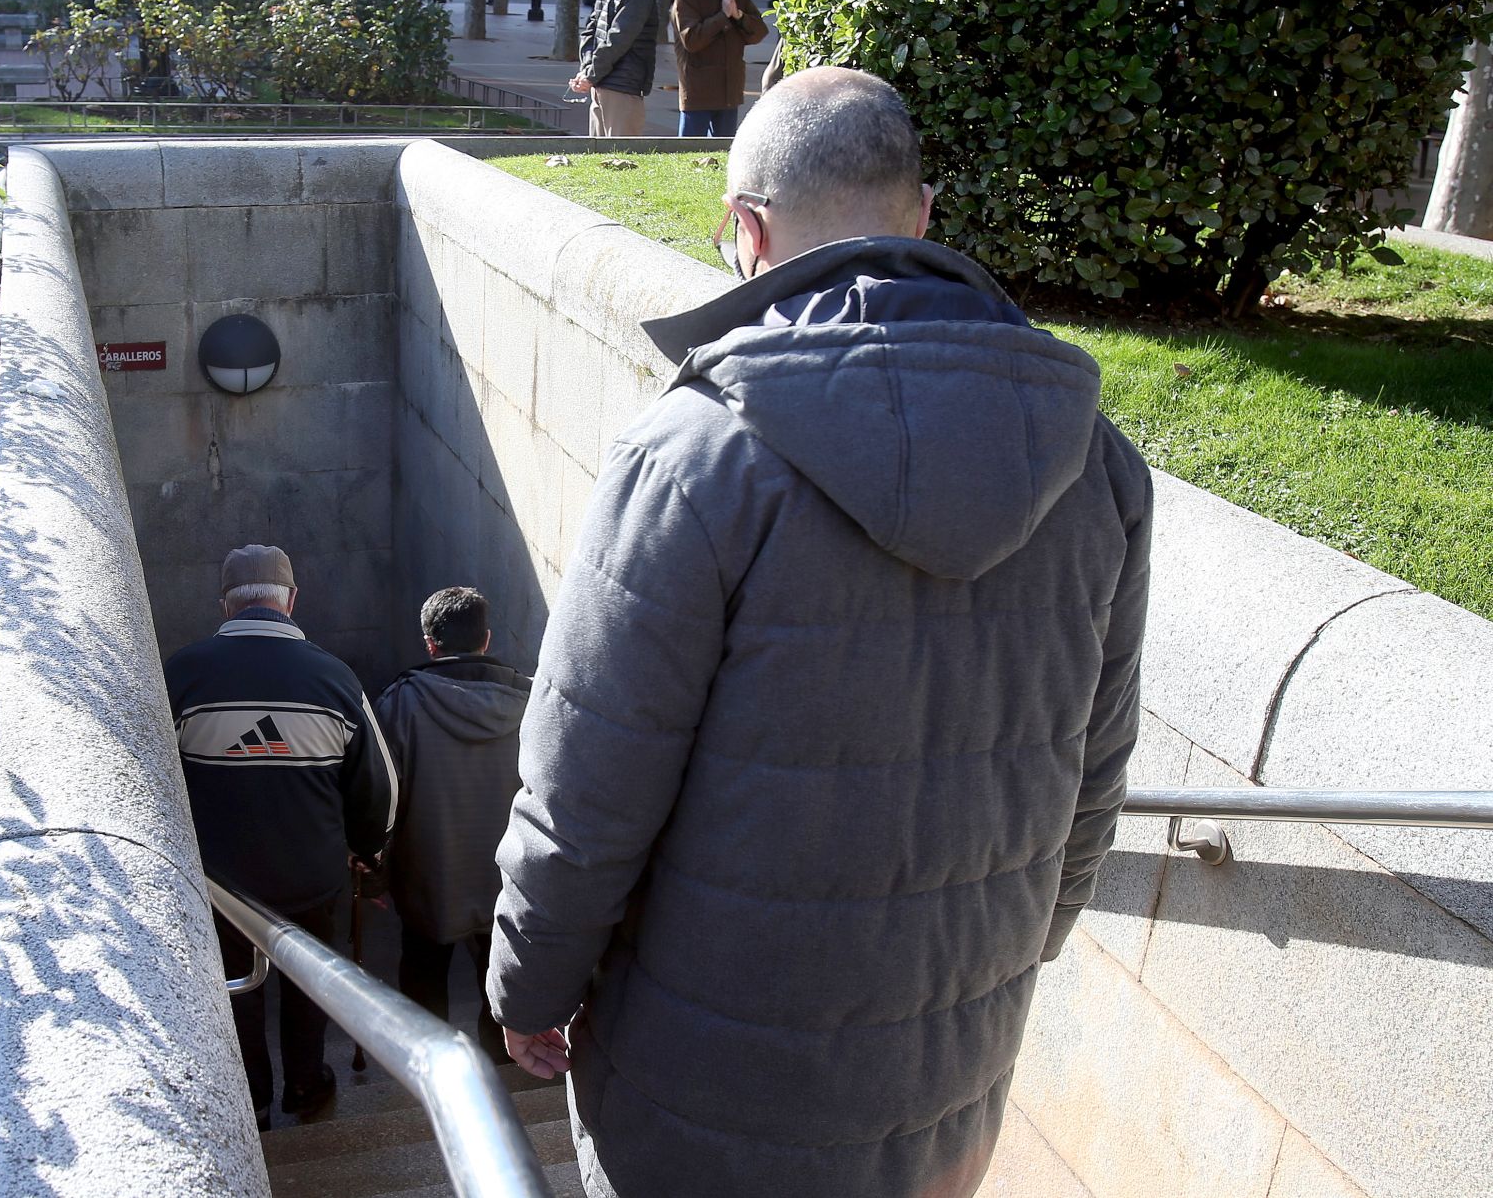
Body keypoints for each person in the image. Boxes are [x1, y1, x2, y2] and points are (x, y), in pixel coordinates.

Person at [487, 67, 1153, 1198]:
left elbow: (587, 782)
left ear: (745, 230)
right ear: (924, 215)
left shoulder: (694, 460)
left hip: (697, 1106)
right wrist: (1002, 965)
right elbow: (1094, 776)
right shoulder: (1099, 467)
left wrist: (528, 989)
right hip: (946, 1088)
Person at [163, 545, 397, 1132]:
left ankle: (252, 1101)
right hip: (312, 876)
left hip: (217, 885)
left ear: (225, 603)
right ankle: (308, 1087)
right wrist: (368, 853)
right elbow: (380, 790)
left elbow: (146, 777)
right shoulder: (334, 678)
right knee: (309, 983)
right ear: (292, 601)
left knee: (233, 989)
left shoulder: (182, 675)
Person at [373, 588, 531, 1066]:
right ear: (486, 638)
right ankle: (506, 1062)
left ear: (429, 644)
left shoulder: (398, 704)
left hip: (428, 873)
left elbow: (381, 800)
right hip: (510, 876)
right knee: (502, 970)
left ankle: (432, 1067)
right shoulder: (531, 700)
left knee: (423, 975)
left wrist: (377, 874)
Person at [569, 0, 672, 138]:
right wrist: (590, 74)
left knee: (599, 160)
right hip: (623, 85)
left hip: (603, 84)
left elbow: (591, 30)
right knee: (621, 159)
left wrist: (588, 71)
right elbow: (620, 36)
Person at [671, 0, 768, 137]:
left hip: (730, 89)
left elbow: (759, 32)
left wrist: (738, 15)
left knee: (724, 150)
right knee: (689, 152)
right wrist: (723, 16)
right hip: (699, 90)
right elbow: (691, 40)